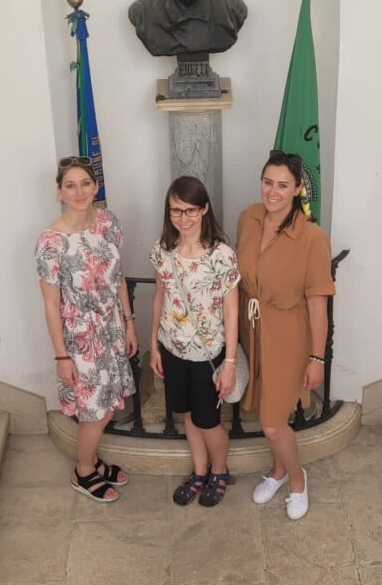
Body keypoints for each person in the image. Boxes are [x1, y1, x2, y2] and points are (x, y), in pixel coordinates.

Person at [236, 151, 335, 520]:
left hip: (288, 335)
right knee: (265, 409)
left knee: (273, 422)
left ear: (296, 190)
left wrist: (317, 357)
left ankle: (296, 478)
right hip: (252, 328)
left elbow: (316, 305)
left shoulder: (311, 237)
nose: (272, 192)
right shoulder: (248, 217)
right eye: (267, 182)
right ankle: (277, 471)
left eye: (282, 185)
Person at [35, 156, 138, 503]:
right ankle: (83, 472)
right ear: (59, 192)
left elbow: (118, 276)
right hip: (80, 340)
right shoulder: (51, 243)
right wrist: (61, 356)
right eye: (70, 185)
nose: (79, 192)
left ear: (95, 187)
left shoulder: (107, 222)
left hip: (111, 328)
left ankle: (91, 460)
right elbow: (51, 305)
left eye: (85, 184)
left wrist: (129, 322)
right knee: (95, 410)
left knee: (110, 401)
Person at [149, 176, 240, 506]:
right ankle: (199, 472)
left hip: (208, 355)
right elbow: (159, 297)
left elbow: (232, 312)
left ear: (205, 209)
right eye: (176, 210)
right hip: (172, 350)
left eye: (190, 210)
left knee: (209, 421)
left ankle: (219, 470)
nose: (183, 218)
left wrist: (229, 363)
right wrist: (153, 346)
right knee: (186, 414)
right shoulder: (163, 250)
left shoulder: (222, 256)